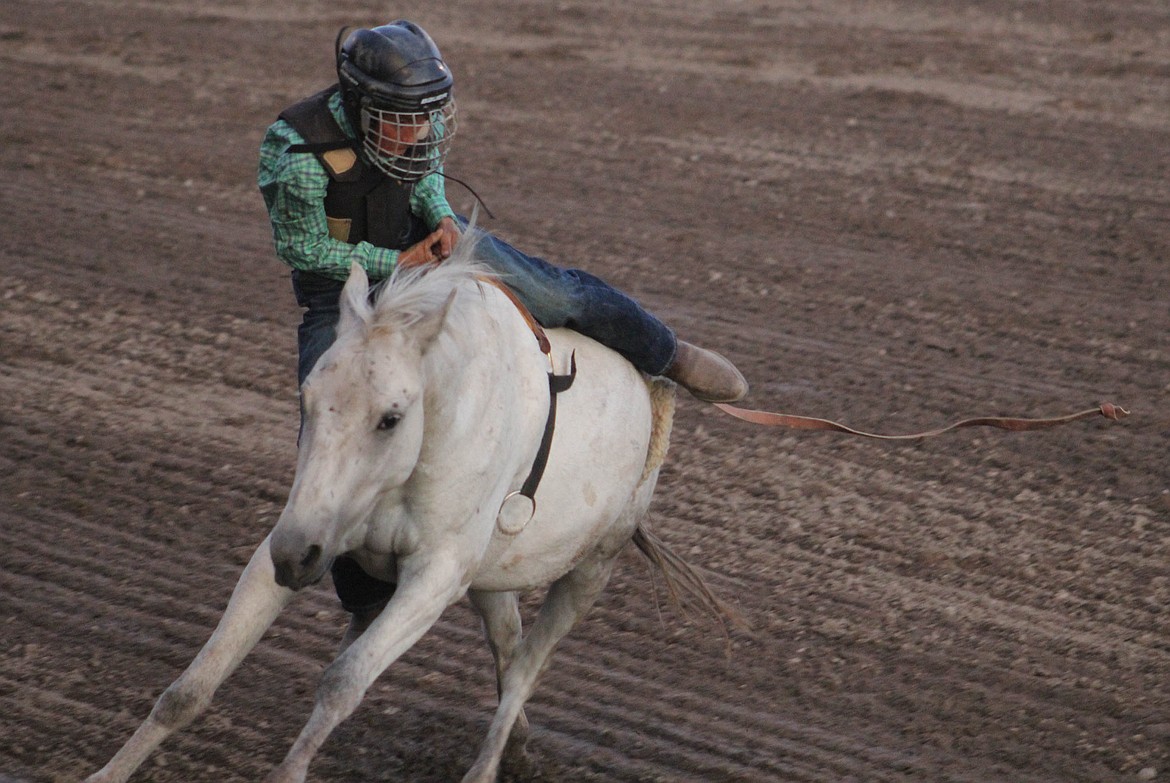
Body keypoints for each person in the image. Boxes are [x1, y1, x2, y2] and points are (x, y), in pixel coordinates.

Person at [257, 20, 747, 631]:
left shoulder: (413, 119)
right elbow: (304, 249)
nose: (418, 131)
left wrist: (441, 219)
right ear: (361, 106)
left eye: (425, 116)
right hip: (342, 298)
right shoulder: (297, 151)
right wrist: (393, 264)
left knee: (552, 290)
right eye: (403, 119)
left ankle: (668, 353)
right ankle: (362, 599)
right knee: (329, 431)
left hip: (425, 250)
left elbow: (425, 171)